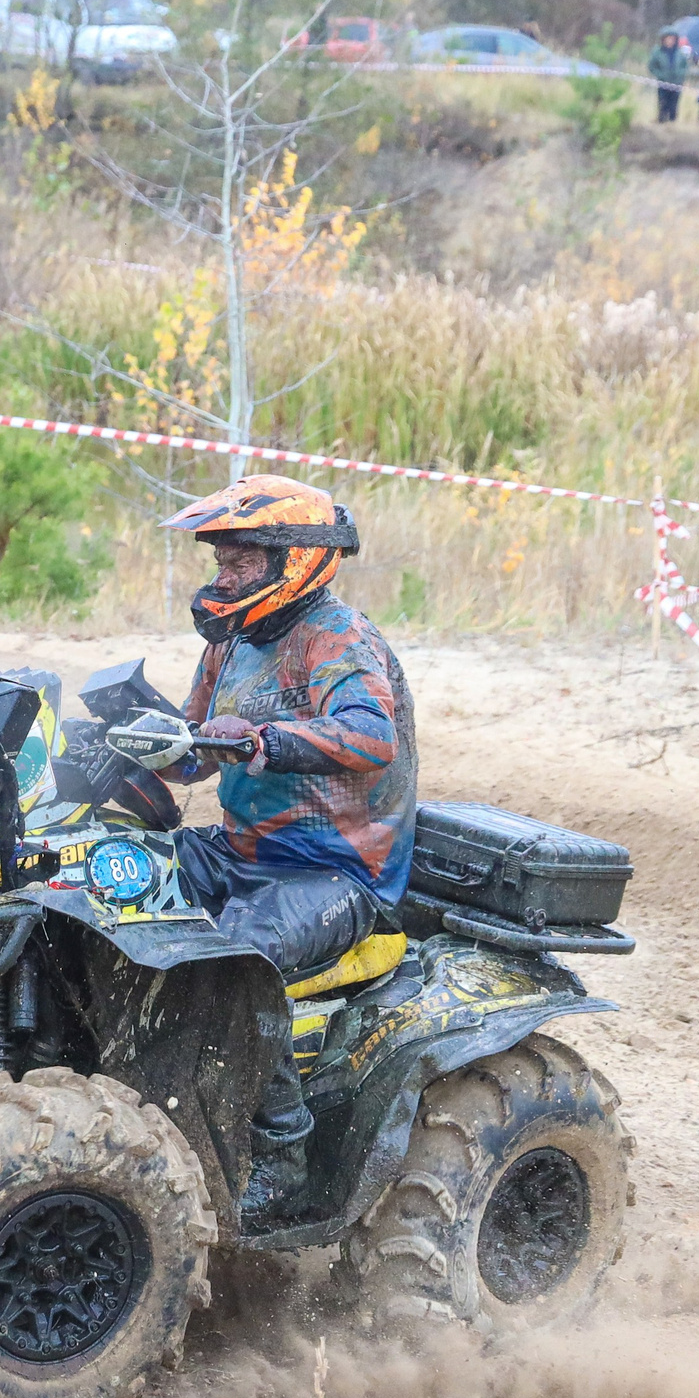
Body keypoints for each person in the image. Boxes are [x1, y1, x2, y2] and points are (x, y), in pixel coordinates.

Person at [151, 476, 418, 1222]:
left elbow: (370, 735)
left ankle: (282, 1154)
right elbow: (198, 750)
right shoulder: (232, 641)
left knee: (235, 959)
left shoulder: (337, 637)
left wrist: (268, 740)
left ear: (292, 561)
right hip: (240, 851)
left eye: (240, 564)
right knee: (109, 874)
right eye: (221, 563)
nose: (223, 578)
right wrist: (147, 749)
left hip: (337, 872)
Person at [648, 31, 688, 124]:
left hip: (677, 83)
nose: (670, 41)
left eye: (672, 39)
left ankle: (672, 124)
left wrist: (680, 74)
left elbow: (685, 66)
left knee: (674, 105)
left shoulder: (680, 53)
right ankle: (661, 123)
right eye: (668, 38)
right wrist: (660, 75)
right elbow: (651, 66)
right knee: (663, 104)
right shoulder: (657, 52)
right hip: (663, 83)